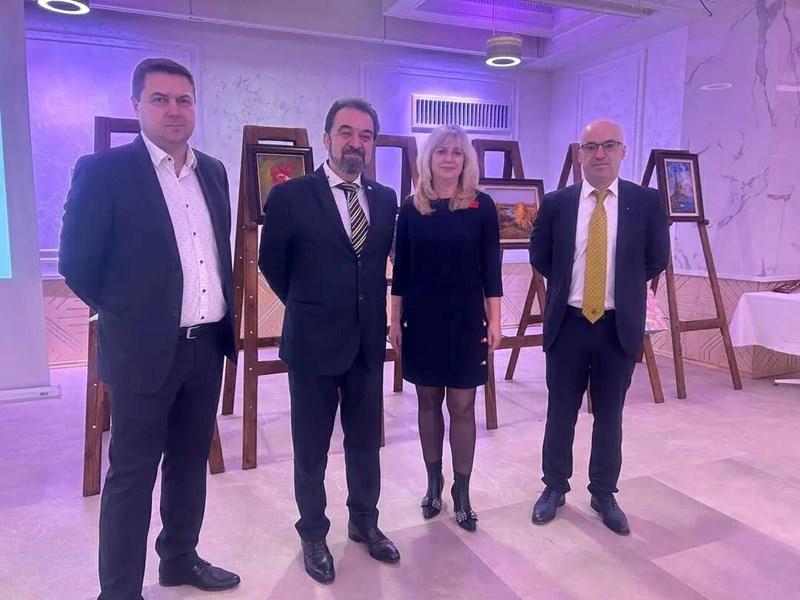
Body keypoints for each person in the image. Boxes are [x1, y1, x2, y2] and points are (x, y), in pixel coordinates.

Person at [59, 58, 240, 598]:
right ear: (136, 105)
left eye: (184, 100)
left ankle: (179, 559)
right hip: (142, 352)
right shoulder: (104, 172)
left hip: (205, 347)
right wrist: (129, 315)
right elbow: (77, 263)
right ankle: (119, 590)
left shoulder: (213, 172)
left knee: (188, 464)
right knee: (132, 475)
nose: (174, 110)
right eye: (160, 99)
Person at [258, 98, 400, 584]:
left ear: (372, 144)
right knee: (311, 448)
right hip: (312, 343)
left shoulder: (385, 199)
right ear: (326, 139)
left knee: (365, 443)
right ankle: (314, 533)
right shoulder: (290, 196)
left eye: (365, 135)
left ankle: (365, 522)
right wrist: (310, 305)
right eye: (346, 133)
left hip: (366, 343)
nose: (355, 143)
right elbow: (273, 265)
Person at [529, 118, 670, 535]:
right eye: (590, 147)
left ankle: (604, 492)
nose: (600, 154)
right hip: (568, 324)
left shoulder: (645, 202)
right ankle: (554, 487)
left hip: (616, 327)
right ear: (580, 155)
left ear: (623, 151)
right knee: (560, 411)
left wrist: (620, 288)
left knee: (610, 414)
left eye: (609, 145)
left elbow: (656, 258)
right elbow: (541, 255)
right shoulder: (557, 203)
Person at [388, 125, 503, 533]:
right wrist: (394, 319)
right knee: (427, 401)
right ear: (429, 158)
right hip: (421, 319)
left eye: (457, 152)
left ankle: (463, 490)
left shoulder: (481, 206)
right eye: (441, 151)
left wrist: (495, 319)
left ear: (466, 159)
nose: (449, 159)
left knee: (463, 406)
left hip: (466, 319)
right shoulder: (412, 207)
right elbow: (401, 270)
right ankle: (433, 482)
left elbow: (491, 268)